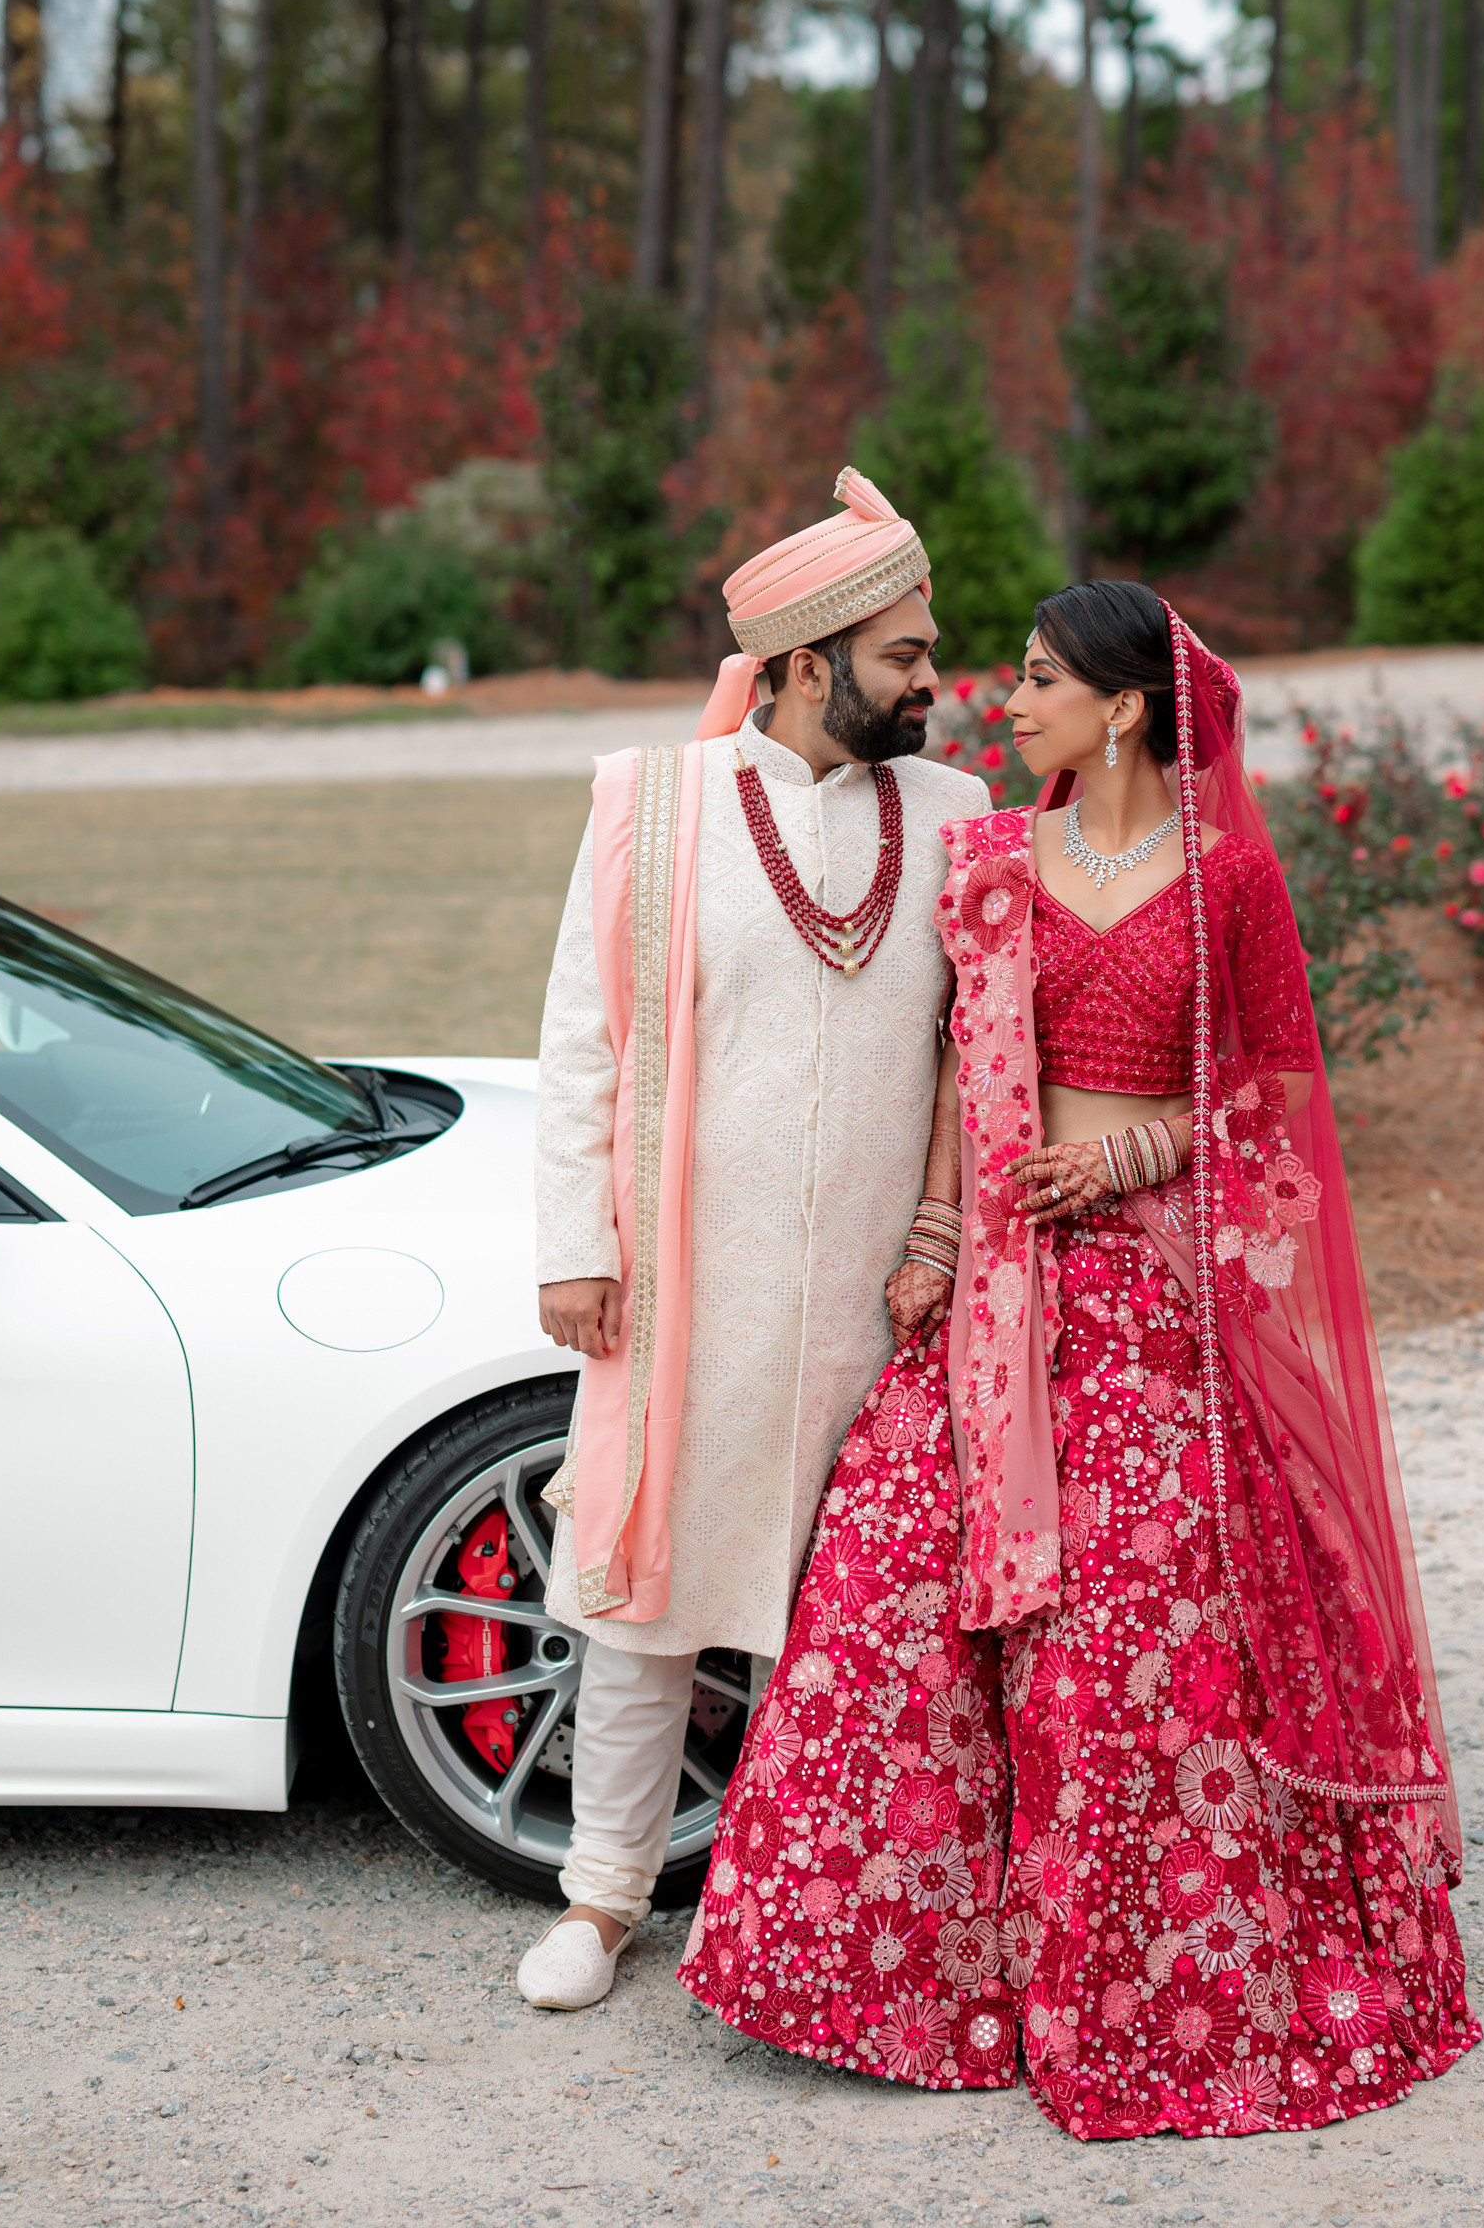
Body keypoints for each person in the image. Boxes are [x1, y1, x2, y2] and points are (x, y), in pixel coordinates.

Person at [682, 583, 1479, 2140]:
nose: (1008, 699)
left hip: (1158, 1300)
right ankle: (905, 1981)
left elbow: (1276, 1113)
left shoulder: (1230, 881)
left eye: (1039, 680)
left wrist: (1129, 1164)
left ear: (1122, 707)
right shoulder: (989, 866)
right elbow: (950, 1074)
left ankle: (1148, 1986)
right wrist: (929, 1243)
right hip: (997, 1292)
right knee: (896, 1574)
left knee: (1138, 1626)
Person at [518, 469, 990, 2012]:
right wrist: (574, 1241)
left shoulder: (956, 814)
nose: (934, 681)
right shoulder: (654, 803)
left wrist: (948, 1237)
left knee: (844, 1624)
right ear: (801, 664)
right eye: (906, 656)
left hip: (888, 1292)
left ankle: (804, 1916)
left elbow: (975, 1053)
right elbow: (585, 1042)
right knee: (648, 1600)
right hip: (689, 1286)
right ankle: (600, 1903)